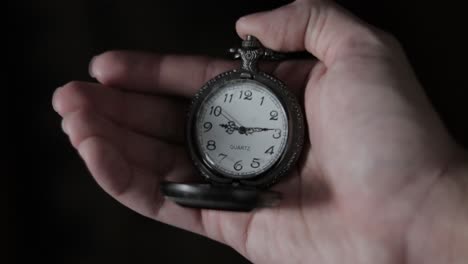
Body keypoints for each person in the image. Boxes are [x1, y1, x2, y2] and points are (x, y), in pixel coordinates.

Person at [52, 0, 468, 263]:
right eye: (224, 123)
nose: (236, 125)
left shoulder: (267, 103)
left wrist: (423, 210)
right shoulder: (218, 104)